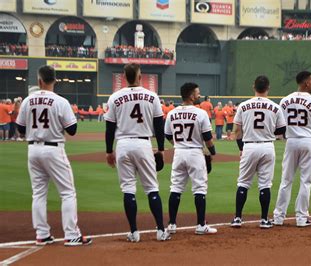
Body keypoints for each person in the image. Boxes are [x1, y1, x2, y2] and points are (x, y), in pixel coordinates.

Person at [15, 65, 92, 246]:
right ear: (55, 80)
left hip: (33, 149)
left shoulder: (28, 100)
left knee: (38, 193)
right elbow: (72, 130)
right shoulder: (60, 101)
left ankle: (42, 234)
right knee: (67, 193)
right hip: (53, 148)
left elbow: (19, 129)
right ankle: (71, 234)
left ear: (39, 81)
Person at [104, 63, 170, 242]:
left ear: (125, 77)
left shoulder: (115, 97)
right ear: (140, 77)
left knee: (128, 190)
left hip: (123, 144)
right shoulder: (152, 96)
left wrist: (109, 150)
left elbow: (109, 128)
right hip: (143, 144)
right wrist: (162, 149)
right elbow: (158, 125)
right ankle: (161, 231)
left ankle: (134, 233)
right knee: (152, 188)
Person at [230, 75, 286, 229]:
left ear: (253, 87)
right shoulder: (275, 107)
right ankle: (264, 219)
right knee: (265, 184)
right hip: (267, 146)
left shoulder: (243, 105)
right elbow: (282, 129)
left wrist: (241, 148)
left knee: (243, 182)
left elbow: (236, 131)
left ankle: (237, 218)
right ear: (268, 88)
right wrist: (269, 132)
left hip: (249, 146)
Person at [272, 71, 311, 227]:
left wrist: (287, 136)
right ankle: (301, 218)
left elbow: (279, 126)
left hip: (291, 141)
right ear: (306, 83)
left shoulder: (285, 100)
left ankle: (278, 217)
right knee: (306, 181)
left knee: (286, 180)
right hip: (308, 140)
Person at [165, 82, 218, 235]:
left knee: (175, 188)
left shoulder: (172, 113)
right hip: (195, 153)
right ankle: (201, 225)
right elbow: (208, 138)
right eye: (197, 93)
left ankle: (172, 224)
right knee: (199, 189)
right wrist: (212, 152)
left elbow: (168, 135)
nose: (199, 95)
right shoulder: (200, 113)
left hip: (179, 153)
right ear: (190, 95)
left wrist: (179, 143)